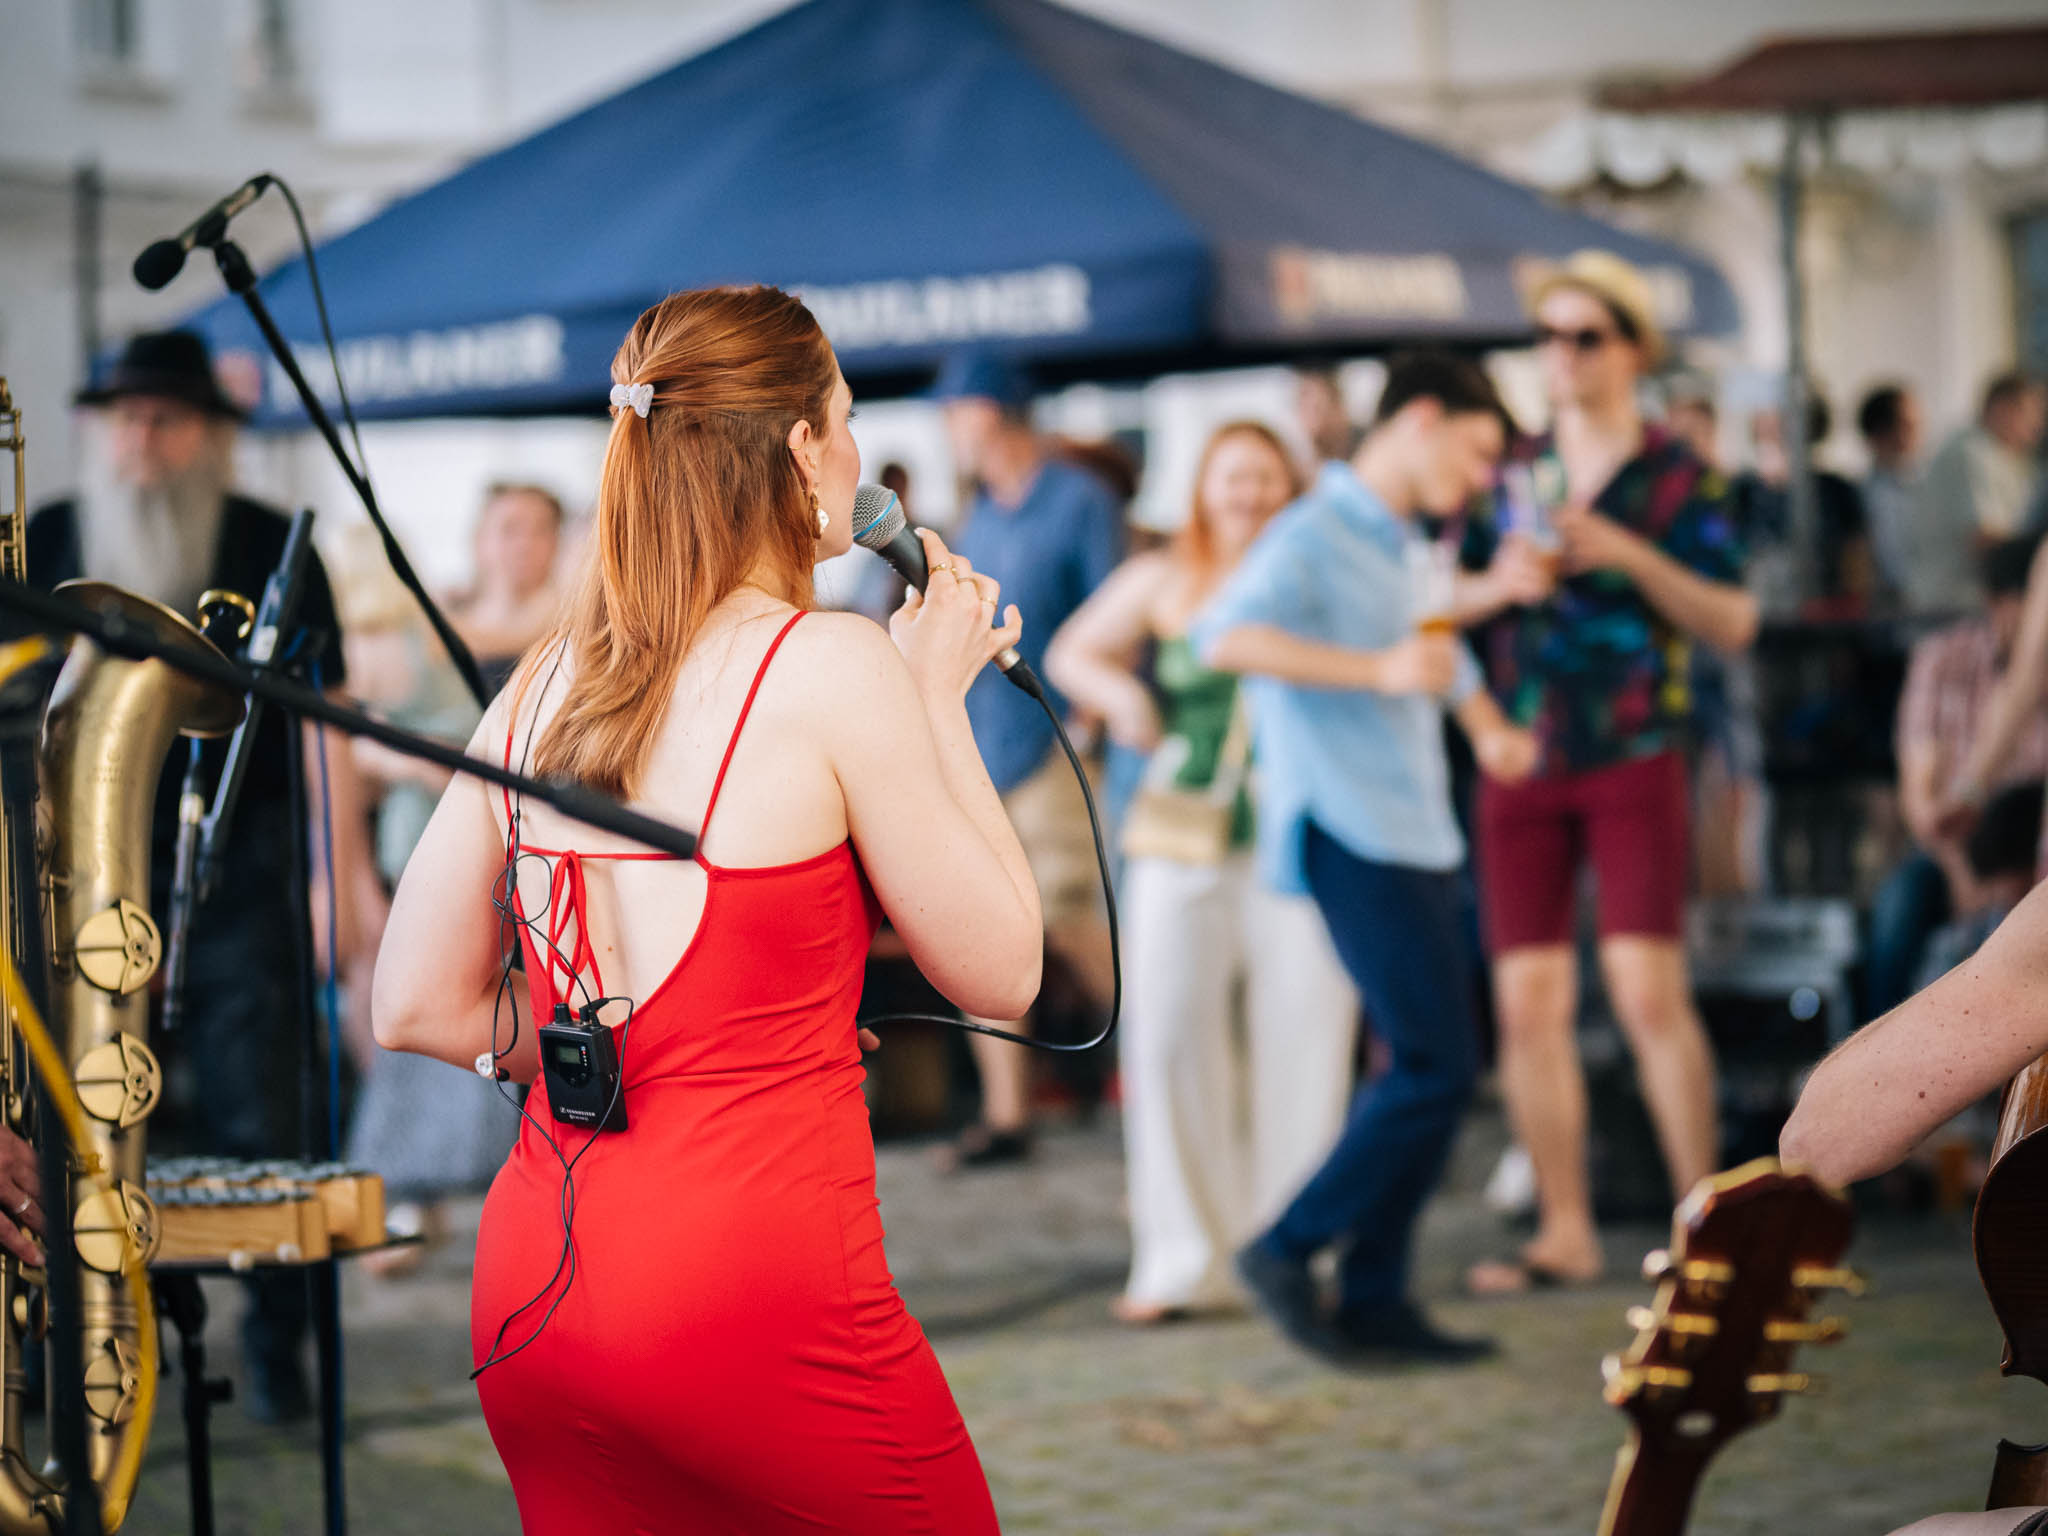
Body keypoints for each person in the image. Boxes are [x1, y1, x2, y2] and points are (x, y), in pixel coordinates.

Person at [373, 286, 1034, 1532]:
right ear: (800, 447)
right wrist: (937, 697)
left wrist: (658, 1048)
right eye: (846, 419)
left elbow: (412, 1003)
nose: (856, 454)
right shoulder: (830, 663)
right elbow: (1001, 970)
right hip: (753, 1302)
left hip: (538, 1293)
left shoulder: (545, 677)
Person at [22, 328, 380, 1423]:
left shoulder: (273, 544)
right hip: (67, 886)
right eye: (125, 418)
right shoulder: (46, 539)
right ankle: (72, 1360)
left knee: (264, 1118)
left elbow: (325, 723)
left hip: (241, 875)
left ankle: (280, 1359)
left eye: (167, 419)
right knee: (72, 1123)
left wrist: (339, 883)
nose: (143, 438)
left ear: (211, 437)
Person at [1191, 352, 1542, 1364]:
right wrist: (1376, 669)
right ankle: (1287, 1248)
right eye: (1476, 451)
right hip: (1348, 827)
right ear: (1421, 419)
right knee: (1435, 1064)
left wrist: (1485, 726)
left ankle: (1376, 1294)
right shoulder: (1311, 530)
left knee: (1434, 1064)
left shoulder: (1399, 538)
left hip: (1414, 826)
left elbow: (1436, 641)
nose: (1482, 477)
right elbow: (1223, 638)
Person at [1460, 252, 1757, 1296]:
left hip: (1633, 750)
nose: (1562, 356)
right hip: (1519, 753)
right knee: (1526, 1008)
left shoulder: (1678, 473)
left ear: (1632, 349)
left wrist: (1631, 555)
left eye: (1584, 337)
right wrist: (1495, 583)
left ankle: (1706, 1234)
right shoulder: (1507, 468)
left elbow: (1735, 620)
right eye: (1548, 337)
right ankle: (1563, 1230)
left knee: (1645, 994)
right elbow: (1437, 600)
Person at [1045, 421, 1357, 1324]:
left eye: (1265, 477)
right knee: (1171, 1035)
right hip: (1180, 832)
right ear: (1203, 490)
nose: (1248, 494)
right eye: (1232, 478)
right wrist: (1124, 696)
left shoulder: (1316, 574)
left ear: (1290, 489)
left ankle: (1291, 1250)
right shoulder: (1163, 576)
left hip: (1299, 833)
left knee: (1305, 1037)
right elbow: (1070, 651)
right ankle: (1181, 1260)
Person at [934, 349, 1122, 1169]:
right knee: (982, 927)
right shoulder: (978, 512)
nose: (948, 427)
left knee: (1073, 918)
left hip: (1052, 747)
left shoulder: (1078, 500)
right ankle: (1007, 1115)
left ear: (991, 411)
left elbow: (1114, 613)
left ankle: (1153, 1060)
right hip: (981, 748)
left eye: (956, 411)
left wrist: (1088, 728)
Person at [336, 547, 519, 1278]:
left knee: (442, 1028)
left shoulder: (406, 641)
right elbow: (356, 748)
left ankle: (420, 1197)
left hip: (443, 854)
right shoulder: (403, 642)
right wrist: (418, 762)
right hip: (429, 853)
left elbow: (358, 748)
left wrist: (405, 761)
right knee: (427, 1030)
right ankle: (412, 1196)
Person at [1865, 536, 2048, 1018]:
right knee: (1900, 907)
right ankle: (1878, 1041)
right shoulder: (1943, 659)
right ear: (1999, 603)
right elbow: (1923, 807)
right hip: (1957, 851)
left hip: (2025, 854)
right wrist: (1963, 872)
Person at [1910, 373, 2048, 615]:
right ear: (2001, 408)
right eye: (2032, 413)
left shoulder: (2004, 457)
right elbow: (1982, 539)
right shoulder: (1971, 453)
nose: (2038, 426)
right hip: (1955, 606)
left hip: (1979, 603)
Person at [445, 481, 566, 696]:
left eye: (541, 531)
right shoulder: (450, 610)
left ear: (558, 542)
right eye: (510, 529)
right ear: (479, 539)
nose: (525, 544)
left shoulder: (568, 622)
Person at [1858, 381, 1924, 606]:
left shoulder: (1928, 486)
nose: (1918, 435)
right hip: (1887, 608)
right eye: (1909, 426)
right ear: (1880, 433)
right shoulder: (1862, 496)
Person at [1295, 365, 1361, 465]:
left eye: (1317, 408)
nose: (1310, 420)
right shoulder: (1302, 460)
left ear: (1337, 406)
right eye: (1304, 407)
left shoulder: (1366, 445)